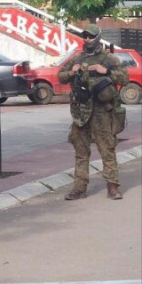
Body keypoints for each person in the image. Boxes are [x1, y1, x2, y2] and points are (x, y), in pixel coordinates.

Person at [58, 25, 129, 200]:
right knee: (80, 151)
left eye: (90, 36)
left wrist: (106, 71)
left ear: (97, 38)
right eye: (85, 36)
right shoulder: (78, 58)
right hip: (81, 112)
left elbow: (125, 78)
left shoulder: (108, 58)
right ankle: (79, 188)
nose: (87, 39)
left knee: (107, 149)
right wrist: (72, 72)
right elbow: (61, 76)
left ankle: (113, 186)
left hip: (101, 112)